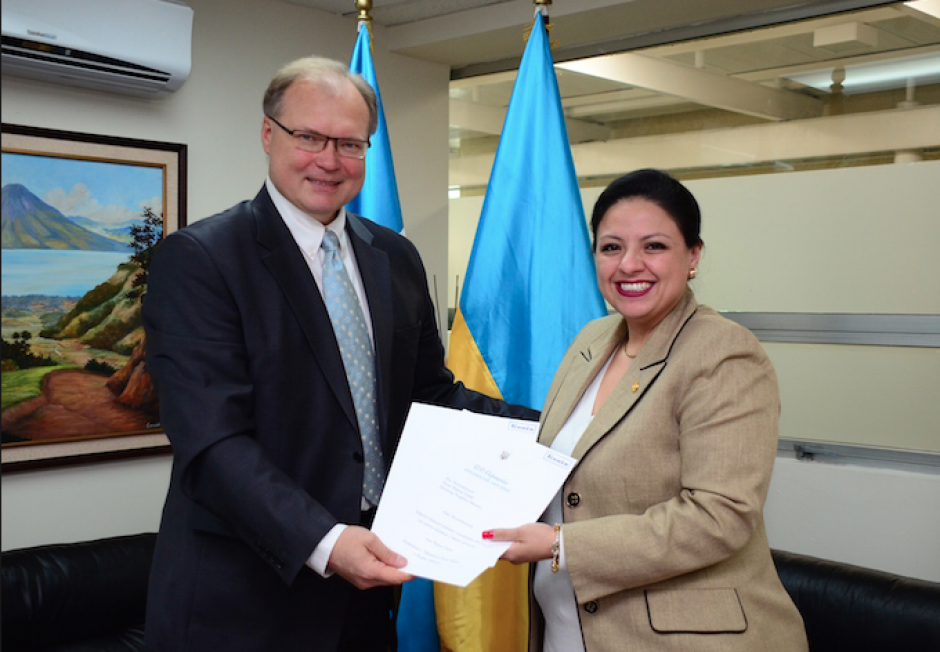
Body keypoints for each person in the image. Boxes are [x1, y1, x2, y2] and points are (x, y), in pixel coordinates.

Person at [142, 56, 536, 652]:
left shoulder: (394, 257)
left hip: (370, 591)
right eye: (310, 137)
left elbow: (429, 396)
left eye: (350, 143)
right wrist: (326, 541)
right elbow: (213, 443)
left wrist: (557, 428)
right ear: (268, 134)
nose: (329, 160)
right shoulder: (201, 260)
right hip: (245, 603)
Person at [486, 169, 808, 652]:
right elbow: (562, 470)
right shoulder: (591, 340)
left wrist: (560, 545)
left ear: (694, 255)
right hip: (569, 629)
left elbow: (719, 515)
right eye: (611, 247)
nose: (629, 265)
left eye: (654, 246)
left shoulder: (723, 353)